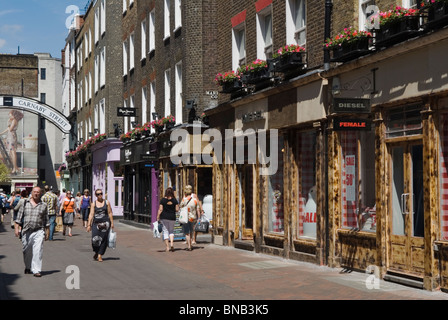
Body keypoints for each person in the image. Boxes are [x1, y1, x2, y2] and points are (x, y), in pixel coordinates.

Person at [14, 186, 49, 277]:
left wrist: (47, 232)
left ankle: (36, 270)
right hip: (26, 231)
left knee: (38, 250)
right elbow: (18, 218)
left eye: (38, 192)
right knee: (26, 251)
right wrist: (16, 229)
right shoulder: (25, 203)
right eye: (34, 192)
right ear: (32, 193)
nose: (36, 193)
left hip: (39, 230)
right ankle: (28, 266)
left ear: (40, 193)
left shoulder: (43, 205)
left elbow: (46, 220)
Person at [87, 189, 114, 262]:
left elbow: (110, 212)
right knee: (94, 239)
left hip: (105, 224)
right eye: (98, 194)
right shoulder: (93, 204)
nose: (100, 195)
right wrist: (89, 224)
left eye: (101, 193)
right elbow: (91, 214)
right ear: (96, 195)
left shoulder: (107, 202)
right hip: (96, 223)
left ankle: (100, 255)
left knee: (104, 240)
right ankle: (96, 251)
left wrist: (112, 223)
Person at [0, 110, 24, 175]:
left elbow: (10, 129)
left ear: (14, 115)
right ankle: (15, 167)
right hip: (10, 136)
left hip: (12, 137)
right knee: (11, 152)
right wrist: (1, 133)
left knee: (13, 152)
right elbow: (8, 129)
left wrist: (9, 123)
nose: (9, 115)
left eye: (10, 114)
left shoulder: (14, 121)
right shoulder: (13, 120)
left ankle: (15, 168)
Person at [157, 187, 179, 252]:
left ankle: (167, 247)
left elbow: (160, 209)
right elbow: (177, 209)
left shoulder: (163, 200)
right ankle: (172, 243)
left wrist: (158, 216)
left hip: (164, 217)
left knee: (165, 231)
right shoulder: (174, 200)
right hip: (172, 217)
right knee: (171, 231)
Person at [179, 185, 201, 251]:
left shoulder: (184, 199)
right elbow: (198, 209)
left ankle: (189, 246)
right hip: (192, 218)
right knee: (191, 231)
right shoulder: (195, 200)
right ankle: (190, 244)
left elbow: (180, 206)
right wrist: (199, 218)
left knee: (187, 232)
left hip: (185, 217)